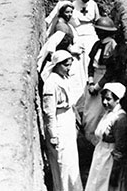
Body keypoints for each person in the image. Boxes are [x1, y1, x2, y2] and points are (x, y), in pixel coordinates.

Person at [41, 50, 84, 191]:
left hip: (68, 119)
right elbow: (49, 113)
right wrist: (53, 135)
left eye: (70, 65)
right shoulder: (51, 83)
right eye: (66, 65)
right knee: (62, 161)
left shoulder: (64, 78)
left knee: (71, 159)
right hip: (59, 123)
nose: (68, 68)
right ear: (57, 65)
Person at [38, 1, 85, 106]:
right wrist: (72, 50)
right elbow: (55, 43)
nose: (69, 14)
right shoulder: (61, 27)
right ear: (61, 12)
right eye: (67, 12)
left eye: (71, 12)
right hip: (62, 59)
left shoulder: (65, 25)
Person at [84, 82, 127, 191]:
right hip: (101, 152)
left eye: (108, 99)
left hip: (109, 158)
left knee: (103, 185)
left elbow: (120, 146)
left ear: (117, 99)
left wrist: (115, 169)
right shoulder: (109, 113)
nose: (104, 102)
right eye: (103, 98)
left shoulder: (119, 118)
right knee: (95, 182)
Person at [82, 17, 119, 145]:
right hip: (94, 81)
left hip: (104, 83)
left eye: (100, 30)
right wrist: (91, 81)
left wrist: (97, 87)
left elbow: (111, 71)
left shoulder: (112, 46)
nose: (98, 32)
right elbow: (91, 65)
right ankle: (88, 141)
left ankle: (96, 143)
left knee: (98, 114)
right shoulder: (97, 44)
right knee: (88, 114)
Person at [71, 0, 100, 76]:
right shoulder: (73, 5)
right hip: (78, 31)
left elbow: (97, 18)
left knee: (93, 52)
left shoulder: (93, 4)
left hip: (91, 31)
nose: (86, 1)